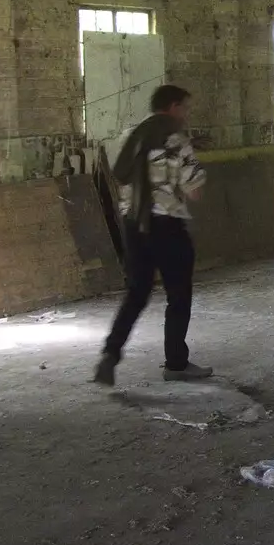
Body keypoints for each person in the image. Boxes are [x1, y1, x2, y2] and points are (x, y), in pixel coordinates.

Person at [93, 85, 211, 386]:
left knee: (136, 293)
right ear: (172, 107)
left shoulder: (130, 136)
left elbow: (119, 177)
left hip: (134, 225)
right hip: (167, 226)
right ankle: (176, 364)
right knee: (178, 296)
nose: (185, 114)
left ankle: (111, 352)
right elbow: (194, 191)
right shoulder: (175, 140)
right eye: (184, 107)